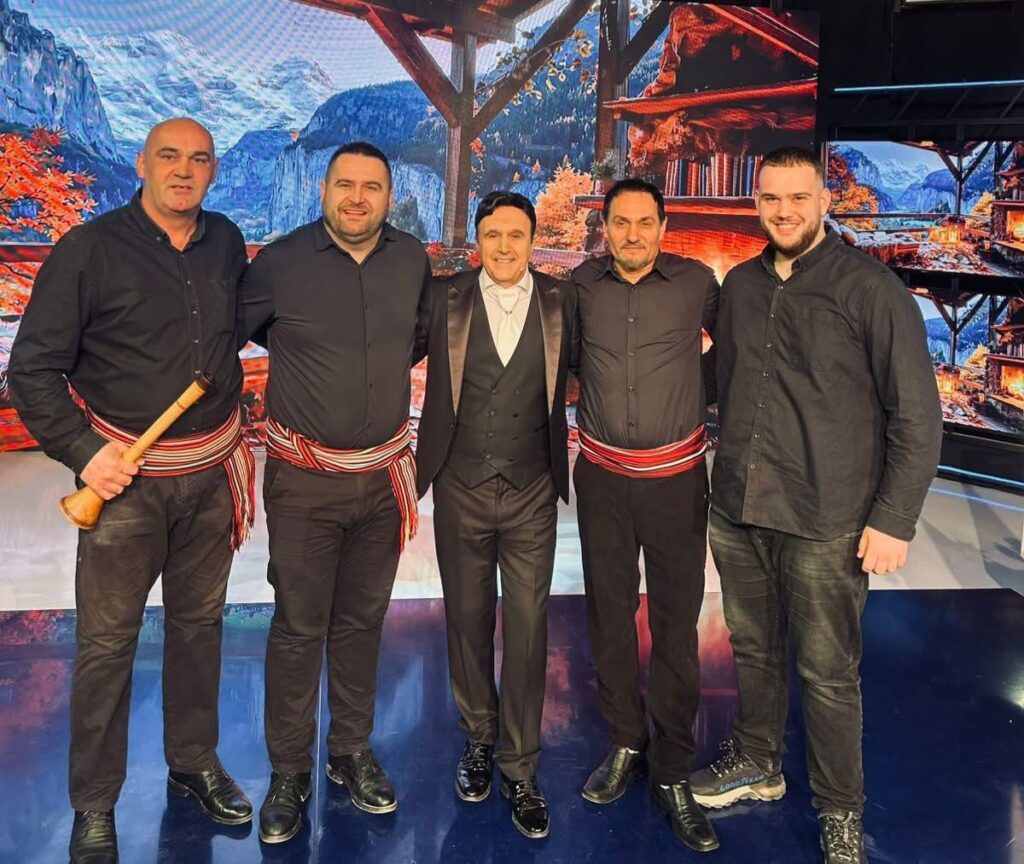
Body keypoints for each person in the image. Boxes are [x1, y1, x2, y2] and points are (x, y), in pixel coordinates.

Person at [9, 118, 255, 864]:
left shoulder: (226, 242)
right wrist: (87, 454)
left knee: (199, 627)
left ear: (213, 171)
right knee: (108, 644)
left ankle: (192, 762)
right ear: (142, 163)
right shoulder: (87, 250)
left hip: (209, 476)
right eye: (168, 157)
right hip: (126, 488)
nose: (183, 170)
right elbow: (32, 370)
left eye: (198, 159)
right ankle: (94, 804)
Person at [691, 146, 942, 864]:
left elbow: (917, 416)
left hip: (827, 518)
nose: (785, 211)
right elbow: (714, 378)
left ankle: (839, 811)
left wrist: (893, 518)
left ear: (824, 201)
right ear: (756, 204)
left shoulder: (872, 290)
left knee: (828, 674)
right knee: (753, 648)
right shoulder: (740, 286)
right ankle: (758, 761)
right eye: (771, 198)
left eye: (798, 198)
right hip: (739, 506)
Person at [236, 141, 430, 844]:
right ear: (323, 190)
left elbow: (413, 341)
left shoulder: (411, 261)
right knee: (298, 626)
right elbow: (223, 340)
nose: (357, 198)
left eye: (371, 186)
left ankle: (349, 751)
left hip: (381, 481)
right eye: (345, 184)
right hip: (304, 484)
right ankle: (289, 771)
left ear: (389, 195)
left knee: (361, 622)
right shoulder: (279, 264)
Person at [415, 191, 576, 840]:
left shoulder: (563, 302)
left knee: (530, 627)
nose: (505, 246)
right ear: (477, 241)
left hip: (533, 488)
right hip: (460, 486)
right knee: (467, 620)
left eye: (516, 234)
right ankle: (479, 739)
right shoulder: (444, 299)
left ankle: (521, 766)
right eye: (493, 234)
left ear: (533, 241)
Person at [570, 178, 720, 853]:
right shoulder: (581, 285)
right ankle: (626, 741)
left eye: (644, 222)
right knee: (608, 615)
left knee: (675, 625)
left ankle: (673, 768)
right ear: (605, 227)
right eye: (620, 223)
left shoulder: (697, 285)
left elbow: (735, 354)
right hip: (602, 480)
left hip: (676, 484)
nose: (632, 234)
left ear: (663, 226)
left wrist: (695, 392)